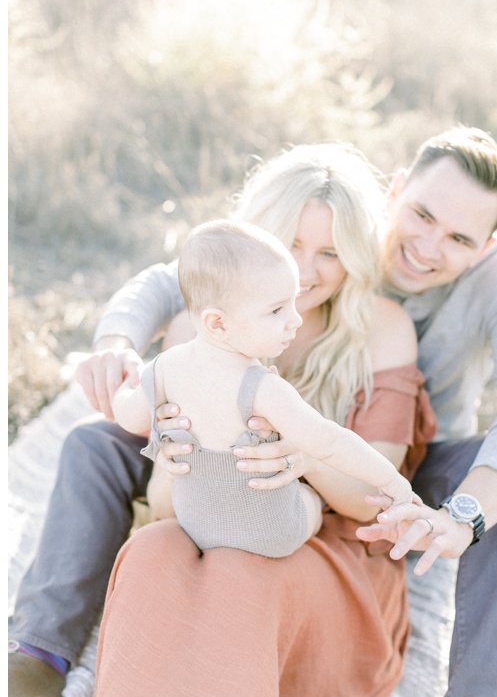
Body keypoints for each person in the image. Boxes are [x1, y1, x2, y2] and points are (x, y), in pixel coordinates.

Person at [11, 127, 497, 697]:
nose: (306, 273)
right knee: (134, 518)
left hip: (369, 490)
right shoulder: (219, 309)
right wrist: (149, 404)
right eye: (289, 246)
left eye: (330, 254)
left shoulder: (428, 309)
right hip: (219, 496)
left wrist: (311, 460)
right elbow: (165, 283)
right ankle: (44, 653)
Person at [110, 219, 421, 558]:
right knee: (310, 501)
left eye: (292, 303)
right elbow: (330, 442)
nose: (295, 319)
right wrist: (392, 480)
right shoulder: (262, 388)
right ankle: (311, 512)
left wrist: (125, 381)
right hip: (271, 534)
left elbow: (128, 416)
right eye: (277, 310)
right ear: (218, 323)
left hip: (195, 524)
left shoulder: (164, 368)